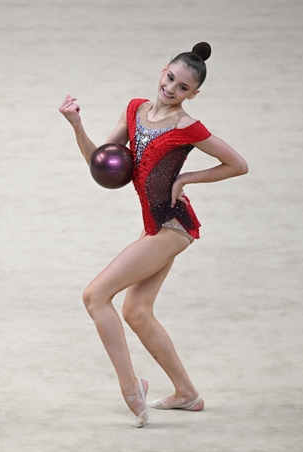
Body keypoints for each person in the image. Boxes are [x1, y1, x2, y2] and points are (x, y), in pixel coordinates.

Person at [58, 42, 248, 427]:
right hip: (155, 226)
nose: (172, 88)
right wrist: (78, 126)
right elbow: (103, 163)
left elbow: (238, 164)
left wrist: (189, 176)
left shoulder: (187, 127)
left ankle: (131, 388)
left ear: (193, 94)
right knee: (137, 312)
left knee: (95, 296)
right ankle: (187, 394)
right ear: (163, 70)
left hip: (173, 226)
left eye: (182, 88)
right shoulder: (135, 110)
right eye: (170, 78)